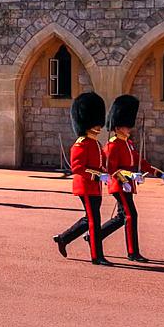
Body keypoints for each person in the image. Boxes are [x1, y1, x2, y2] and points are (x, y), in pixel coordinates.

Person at [96, 95, 164, 263]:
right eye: (125, 126)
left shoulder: (128, 143)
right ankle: (132, 252)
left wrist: (159, 173)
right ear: (118, 127)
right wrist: (126, 179)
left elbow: (140, 163)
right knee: (131, 216)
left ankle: (95, 236)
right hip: (119, 185)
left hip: (128, 184)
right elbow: (111, 169)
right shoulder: (112, 145)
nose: (129, 128)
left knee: (121, 217)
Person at [53, 92, 113, 266]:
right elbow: (77, 168)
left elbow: (100, 163)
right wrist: (97, 175)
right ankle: (97, 256)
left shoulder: (95, 143)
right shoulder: (80, 144)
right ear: (86, 123)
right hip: (86, 186)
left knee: (90, 219)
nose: (98, 127)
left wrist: (106, 173)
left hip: (95, 186)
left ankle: (63, 238)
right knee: (95, 220)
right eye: (95, 123)